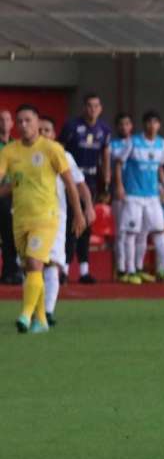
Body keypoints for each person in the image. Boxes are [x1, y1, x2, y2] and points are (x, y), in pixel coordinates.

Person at [0, 104, 85, 333]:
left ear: (37, 122)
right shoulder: (9, 152)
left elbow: (70, 183)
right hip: (20, 219)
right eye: (20, 121)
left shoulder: (52, 149)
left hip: (46, 218)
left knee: (35, 262)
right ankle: (41, 320)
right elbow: (7, 183)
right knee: (30, 269)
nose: (23, 125)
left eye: (28, 120)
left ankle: (26, 315)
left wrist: (78, 212)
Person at [39, 115, 94, 325]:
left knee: (52, 264)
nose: (43, 134)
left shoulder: (64, 156)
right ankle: (32, 309)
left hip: (56, 217)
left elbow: (79, 185)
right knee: (32, 266)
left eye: (47, 130)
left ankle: (48, 311)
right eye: (40, 130)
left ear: (54, 134)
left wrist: (87, 207)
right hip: (28, 217)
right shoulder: (24, 154)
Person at [117, 110, 164, 283]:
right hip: (133, 195)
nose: (152, 126)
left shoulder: (162, 143)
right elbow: (119, 163)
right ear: (144, 125)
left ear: (159, 125)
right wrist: (120, 186)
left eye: (155, 122)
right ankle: (130, 271)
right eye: (149, 122)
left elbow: (159, 167)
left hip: (152, 196)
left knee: (159, 231)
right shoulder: (133, 142)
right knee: (131, 233)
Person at [58, 93, 111, 284]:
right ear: (84, 107)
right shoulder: (71, 126)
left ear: (101, 108)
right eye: (89, 105)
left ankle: (84, 270)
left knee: (87, 225)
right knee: (71, 225)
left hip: (91, 182)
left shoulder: (104, 129)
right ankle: (64, 269)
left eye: (96, 106)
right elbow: (59, 152)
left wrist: (106, 182)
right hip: (71, 181)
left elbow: (105, 156)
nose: (92, 109)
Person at [110, 113, 138, 284]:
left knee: (134, 232)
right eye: (121, 124)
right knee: (121, 231)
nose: (124, 127)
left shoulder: (137, 143)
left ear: (132, 126)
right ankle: (121, 268)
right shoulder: (112, 145)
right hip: (119, 192)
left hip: (136, 193)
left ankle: (133, 267)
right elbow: (109, 167)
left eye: (127, 124)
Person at [0, 108, 19, 285]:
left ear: (12, 123)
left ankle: (10, 271)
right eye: (1, 119)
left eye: (7, 119)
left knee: (11, 235)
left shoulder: (17, 146)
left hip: (14, 196)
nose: (4, 123)